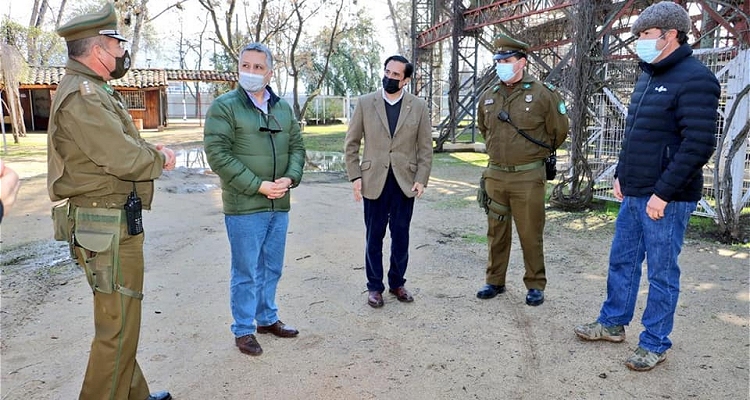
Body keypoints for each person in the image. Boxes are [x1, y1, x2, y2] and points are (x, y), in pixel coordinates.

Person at [574, 1, 719, 371]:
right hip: (636, 190)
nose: (640, 41)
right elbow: (635, 135)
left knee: (661, 272)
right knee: (622, 261)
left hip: (666, 199)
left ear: (671, 35)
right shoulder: (649, 75)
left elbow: (698, 144)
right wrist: (622, 173)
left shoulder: (696, 78)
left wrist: (663, 194)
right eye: (638, 34)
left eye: (646, 34)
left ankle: (654, 342)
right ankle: (612, 323)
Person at [46, 3, 175, 400]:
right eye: (117, 45)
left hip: (108, 222)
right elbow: (122, 158)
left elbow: (114, 145)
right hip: (106, 225)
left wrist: (143, 148)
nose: (123, 53)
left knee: (121, 321)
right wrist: (159, 158)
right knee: (116, 330)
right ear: (100, 50)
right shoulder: (84, 96)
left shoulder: (94, 90)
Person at [204, 42, 306, 357]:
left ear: (270, 72)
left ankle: (267, 318)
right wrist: (258, 185)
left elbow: (298, 147)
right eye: (245, 66)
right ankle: (244, 329)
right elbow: (217, 154)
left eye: (258, 67)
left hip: (279, 204)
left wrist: (290, 177)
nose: (250, 72)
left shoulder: (283, 108)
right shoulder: (225, 106)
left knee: (272, 267)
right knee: (246, 270)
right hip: (245, 206)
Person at [475, 34, 569, 306]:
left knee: (530, 233)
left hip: (528, 176)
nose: (501, 65)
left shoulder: (543, 94)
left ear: (522, 62)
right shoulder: (488, 96)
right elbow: (485, 130)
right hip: (496, 175)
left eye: (507, 60)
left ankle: (535, 284)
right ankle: (494, 281)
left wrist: (530, 155)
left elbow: (558, 132)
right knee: (496, 232)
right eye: (498, 61)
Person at [344, 55, 433, 308]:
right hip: (374, 180)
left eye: (396, 75)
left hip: (405, 181)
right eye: (387, 72)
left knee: (401, 236)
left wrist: (421, 178)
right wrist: (355, 176)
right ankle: (374, 287)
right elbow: (351, 144)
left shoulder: (418, 106)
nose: (389, 77)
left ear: (405, 80)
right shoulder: (365, 103)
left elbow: (425, 148)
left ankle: (397, 283)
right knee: (374, 236)